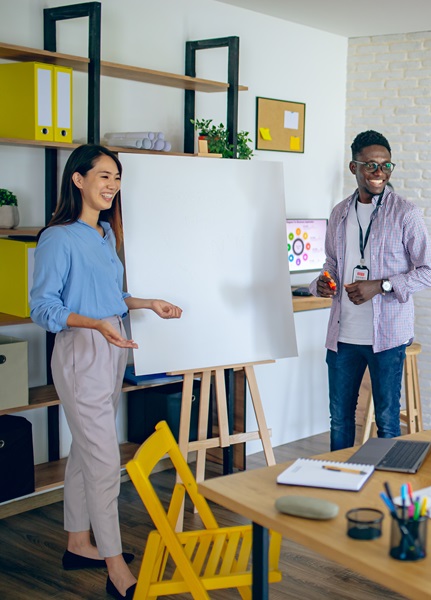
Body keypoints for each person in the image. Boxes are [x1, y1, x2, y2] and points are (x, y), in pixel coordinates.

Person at [30, 144, 183, 600]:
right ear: (77, 180)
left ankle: (79, 543)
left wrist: (144, 302)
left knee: (85, 450)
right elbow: (43, 307)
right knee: (103, 461)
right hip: (82, 350)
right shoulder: (58, 237)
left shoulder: (103, 236)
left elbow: (108, 296)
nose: (113, 186)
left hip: (112, 344)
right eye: (103, 176)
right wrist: (96, 323)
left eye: (116, 178)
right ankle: (116, 570)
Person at [311, 130, 431, 451]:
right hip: (343, 337)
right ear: (353, 167)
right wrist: (322, 283)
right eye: (370, 165)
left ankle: (387, 491)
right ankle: (338, 483)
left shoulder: (406, 213)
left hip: (388, 336)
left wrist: (381, 286)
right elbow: (331, 263)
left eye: (385, 166)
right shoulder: (340, 212)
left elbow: (430, 272)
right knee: (339, 418)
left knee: (387, 420)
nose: (379, 173)